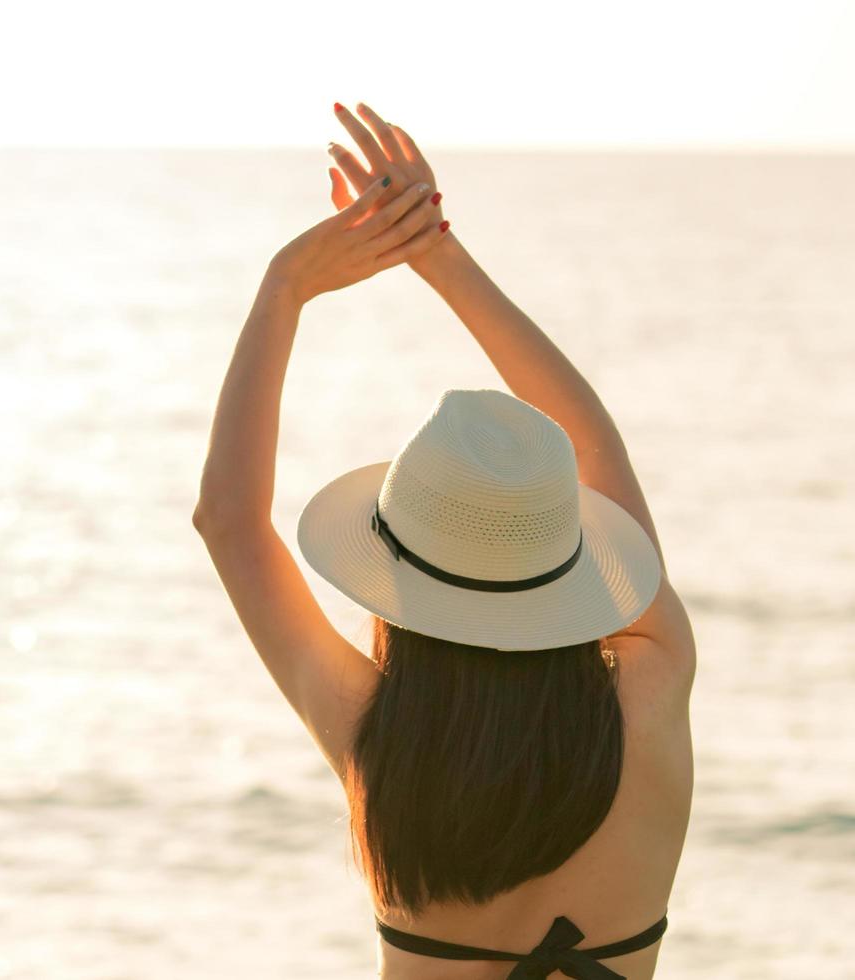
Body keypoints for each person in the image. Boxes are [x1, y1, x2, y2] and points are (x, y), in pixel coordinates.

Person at [191, 101, 697, 979]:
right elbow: (592, 448)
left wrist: (284, 288)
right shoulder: (651, 690)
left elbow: (229, 522)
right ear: (563, 561)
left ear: (398, 576)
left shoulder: (379, 741)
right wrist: (437, 253)